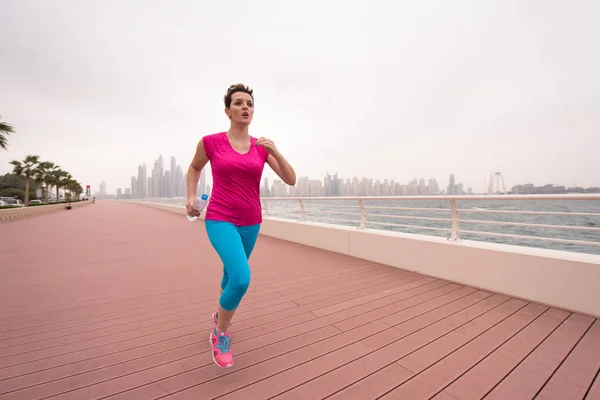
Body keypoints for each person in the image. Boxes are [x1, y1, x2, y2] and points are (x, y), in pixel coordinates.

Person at [186, 83, 296, 368]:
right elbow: (195, 167)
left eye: (249, 103)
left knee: (229, 276)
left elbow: (291, 179)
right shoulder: (211, 142)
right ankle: (220, 332)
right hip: (220, 218)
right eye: (238, 103)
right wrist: (190, 196)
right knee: (241, 278)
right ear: (227, 110)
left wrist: (276, 151)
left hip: (251, 221)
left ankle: (220, 313)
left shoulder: (260, 148)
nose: (245, 107)